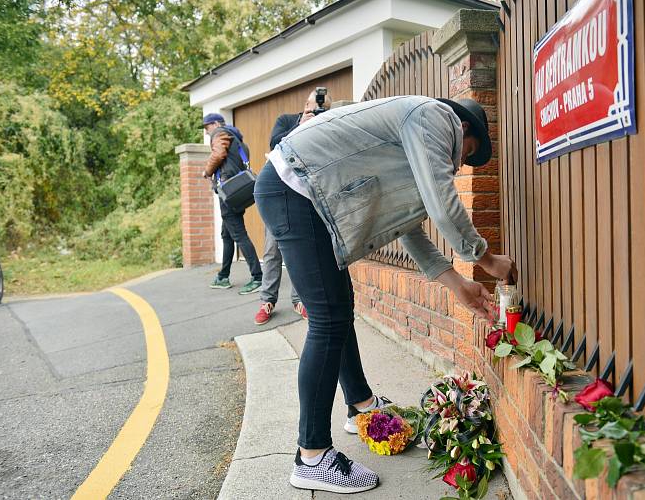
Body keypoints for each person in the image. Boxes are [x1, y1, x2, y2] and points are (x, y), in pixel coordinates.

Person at [254, 95, 517, 494]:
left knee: (339, 311)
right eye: (469, 153)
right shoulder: (434, 116)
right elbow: (444, 208)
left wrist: (459, 285)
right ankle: (312, 457)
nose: (462, 163)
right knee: (328, 320)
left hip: (302, 193)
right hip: (295, 191)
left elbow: (406, 227)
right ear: (464, 129)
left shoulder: (409, 142)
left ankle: (359, 405)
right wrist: (487, 259)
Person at [255, 90, 333, 325]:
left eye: (325, 110)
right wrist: (301, 124)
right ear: (306, 105)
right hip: (278, 193)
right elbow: (274, 143)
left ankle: (299, 300)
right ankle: (267, 300)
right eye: (316, 108)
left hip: (306, 195)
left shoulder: (326, 125)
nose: (320, 112)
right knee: (272, 250)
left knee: (303, 251)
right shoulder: (287, 120)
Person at [202, 115, 263, 295]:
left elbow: (218, 153)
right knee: (227, 234)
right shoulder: (239, 142)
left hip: (228, 191)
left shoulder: (220, 133)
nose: (207, 132)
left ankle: (258, 276)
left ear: (215, 124)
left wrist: (207, 171)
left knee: (238, 234)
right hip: (237, 192)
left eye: (207, 128)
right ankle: (223, 276)